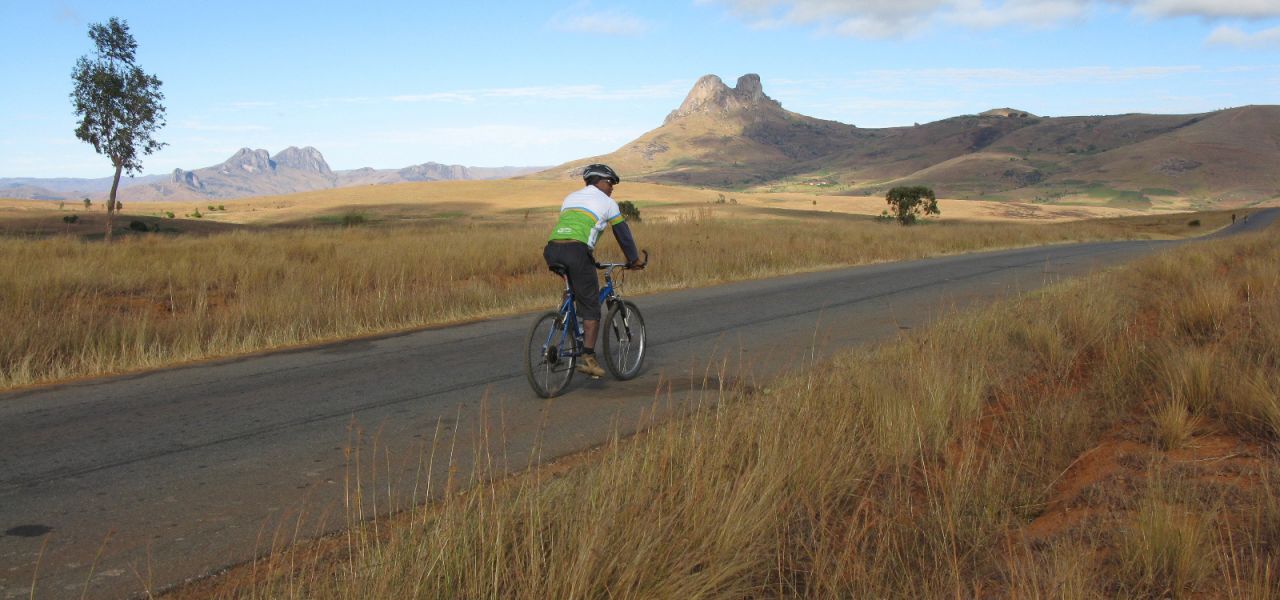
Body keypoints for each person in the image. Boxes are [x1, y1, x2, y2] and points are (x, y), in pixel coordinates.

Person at [544, 164, 644, 378]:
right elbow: (623, 235)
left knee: (575, 285)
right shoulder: (608, 203)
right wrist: (634, 260)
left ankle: (565, 315)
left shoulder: (570, 197)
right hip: (577, 252)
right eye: (610, 183)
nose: (612, 188)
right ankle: (588, 358)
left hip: (552, 250)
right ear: (598, 181)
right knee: (592, 309)